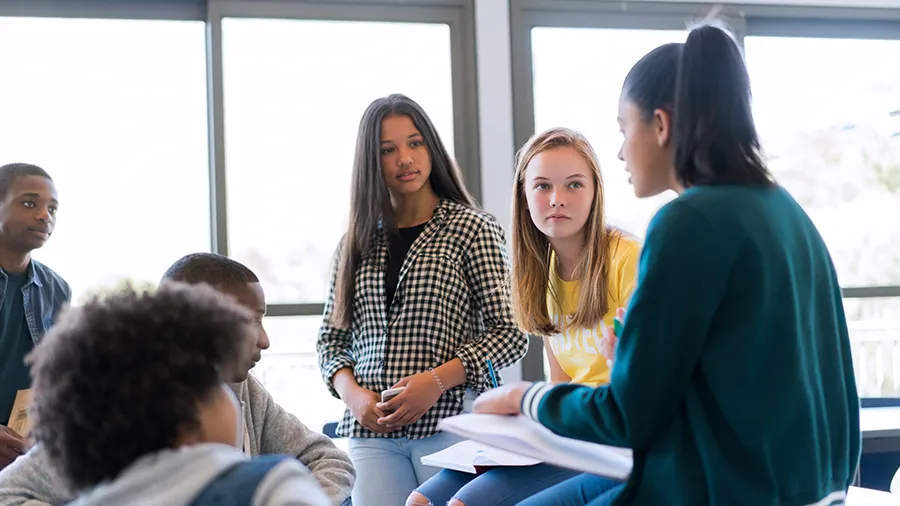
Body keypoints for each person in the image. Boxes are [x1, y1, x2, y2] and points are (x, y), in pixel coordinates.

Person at [473, 22, 861, 506]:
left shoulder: (688, 223)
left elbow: (629, 415)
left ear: (661, 125)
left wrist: (524, 400)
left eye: (623, 128)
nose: (619, 152)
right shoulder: (785, 211)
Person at [0, 253, 355, 506]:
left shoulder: (246, 390)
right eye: (250, 321)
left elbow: (330, 459)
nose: (264, 340)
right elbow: (11, 490)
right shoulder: (114, 408)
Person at [409, 128, 640, 506]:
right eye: (543, 186)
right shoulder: (540, 272)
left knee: (462, 504)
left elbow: (639, 388)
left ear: (596, 191)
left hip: (604, 435)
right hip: (561, 428)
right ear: (524, 195)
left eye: (574, 185)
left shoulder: (626, 259)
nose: (557, 200)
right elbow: (561, 381)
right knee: (419, 501)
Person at [317, 93, 528, 506]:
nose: (405, 159)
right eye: (388, 150)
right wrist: (355, 397)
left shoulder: (472, 229)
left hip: (451, 423)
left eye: (415, 143)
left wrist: (433, 382)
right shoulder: (355, 243)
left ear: (431, 146)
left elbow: (511, 332)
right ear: (371, 162)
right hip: (369, 434)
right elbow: (330, 341)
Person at [0, 163, 69, 472]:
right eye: (30, 203)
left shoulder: (58, 289)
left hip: (24, 451)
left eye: (52, 208)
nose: (45, 215)